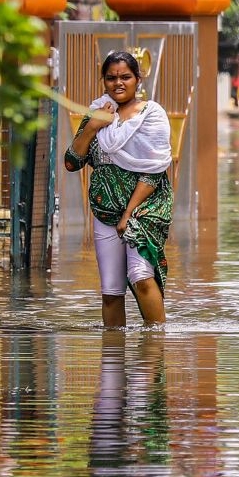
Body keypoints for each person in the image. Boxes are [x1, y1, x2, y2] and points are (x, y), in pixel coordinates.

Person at [64, 50, 174, 327]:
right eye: (111, 78)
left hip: (144, 209)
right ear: (104, 81)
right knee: (111, 291)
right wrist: (92, 127)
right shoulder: (99, 112)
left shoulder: (152, 115)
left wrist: (128, 214)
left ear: (138, 79)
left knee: (141, 276)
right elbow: (71, 161)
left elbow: (154, 170)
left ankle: (155, 350)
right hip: (104, 211)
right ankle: (113, 358)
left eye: (125, 77)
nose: (118, 83)